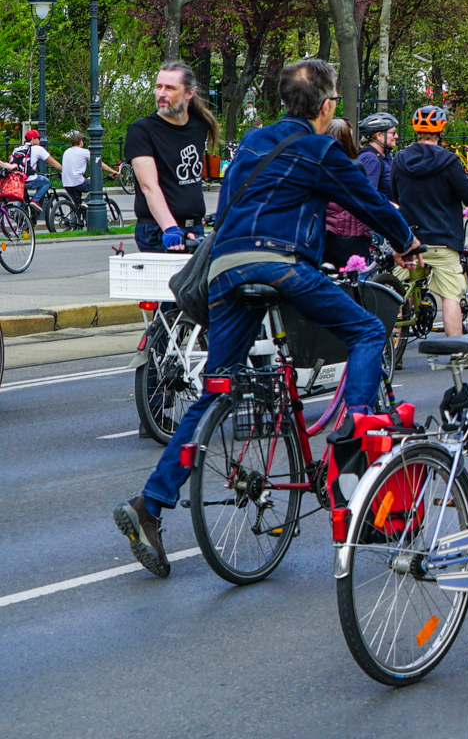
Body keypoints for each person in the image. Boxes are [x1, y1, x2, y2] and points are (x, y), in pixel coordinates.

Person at [113, 58, 423, 579]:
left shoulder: (254, 143)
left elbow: (231, 206)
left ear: (284, 103)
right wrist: (408, 243)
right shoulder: (321, 148)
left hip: (226, 270)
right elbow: (369, 203)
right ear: (326, 108)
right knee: (368, 330)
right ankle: (352, 441)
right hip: (280, 265)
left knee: (217, 387)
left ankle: (150, 505)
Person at [393, 105, 468, 359]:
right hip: (442, 241)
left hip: (409, 241)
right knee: (450, 296)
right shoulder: (449, 161)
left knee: (400, 292)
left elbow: (395, 196)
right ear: (441, 129)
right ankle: (460, 354)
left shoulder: (399, 159)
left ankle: (393, 347)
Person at [125, 62, 221, 252]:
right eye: (158, 86)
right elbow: (148, 185)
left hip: (194, 228)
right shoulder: (142, 130)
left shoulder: (200, 126)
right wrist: (170, 228)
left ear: (189, 93)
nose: (161, 93)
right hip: (159, 230)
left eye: (170, 88)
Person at [321, 119, 374, 271]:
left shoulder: (320, 166)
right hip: (353, 236)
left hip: (327, 235)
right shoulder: (355, 167)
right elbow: (367, 201)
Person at [356, 112, 398, 204]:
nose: (396, 136)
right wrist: (394, 207)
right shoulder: (370, 158)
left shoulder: (384, 156)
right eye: (393, 133)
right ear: (379, 135)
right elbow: (368, 196)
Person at [61, 130, 90, 215]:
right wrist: (113, 171)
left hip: (66, 183)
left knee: (76, 205)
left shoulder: (66, 151)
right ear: (81, 142)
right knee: (97, 184)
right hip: (78, 182)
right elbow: (99, 163)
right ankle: (86, 201)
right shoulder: (84, 152)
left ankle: (75, 224)